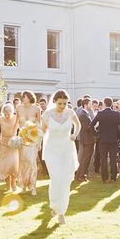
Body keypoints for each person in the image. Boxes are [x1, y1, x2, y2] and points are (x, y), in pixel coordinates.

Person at [42, 90, 80, 225]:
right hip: (52, 150)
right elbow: (42, 131)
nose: (63, 106)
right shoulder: (47, 115)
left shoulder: (70, 113)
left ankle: (61, 212)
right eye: (60, 103)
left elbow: (78, 125)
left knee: (65, 180)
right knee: (56, 179)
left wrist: (75, 134)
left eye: (65, 103)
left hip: (67, 149)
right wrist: (30, 134)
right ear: (54, 102)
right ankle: (55, 205)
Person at [15, 90, 42, 195]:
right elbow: (16, 123)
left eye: (25, 97)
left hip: (33, 139)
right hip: (22, 138)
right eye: (23, 97)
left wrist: (39, 142)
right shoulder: (18, 108)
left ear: (30, 98)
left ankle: (33, 186)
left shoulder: (36, 109)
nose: (23, 98)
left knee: (31, 162)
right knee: (22, 162)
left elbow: (39, 126)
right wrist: (14, 136)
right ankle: (23, 185)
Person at [90, 97, 120, 183]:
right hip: (113, 139)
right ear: (111, 104)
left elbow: (91, 125)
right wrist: (118, 136)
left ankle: (104, 178)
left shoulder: (100, 113)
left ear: (104, 104)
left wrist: (96, 134)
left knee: (103, 159)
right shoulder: (116, 114)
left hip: (102, 139)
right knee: (113, 159)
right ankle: (113, 177)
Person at [0, 103, 19, 193]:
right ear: (3, 112)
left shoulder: (16, 117)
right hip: (3, 144)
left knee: (14, 165)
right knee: (5, 165)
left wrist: (17, 137)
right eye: (5, 114)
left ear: (12, 112)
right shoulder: (0, 118)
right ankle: (8, 186)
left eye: (9, 114)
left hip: (13, 144)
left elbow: (20, 127)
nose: (7, 116)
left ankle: (14, 184)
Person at [76, 94, 96, 181]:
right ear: (85, 105)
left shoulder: (87, 114)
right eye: (90, 103)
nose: (91, 105)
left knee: (86, 158)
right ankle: (81, 175)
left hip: (89, 139)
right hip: (87, 140)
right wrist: (95, 127)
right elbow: (86, 128)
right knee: (85, 158)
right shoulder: (83, 115)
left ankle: (80, 175)